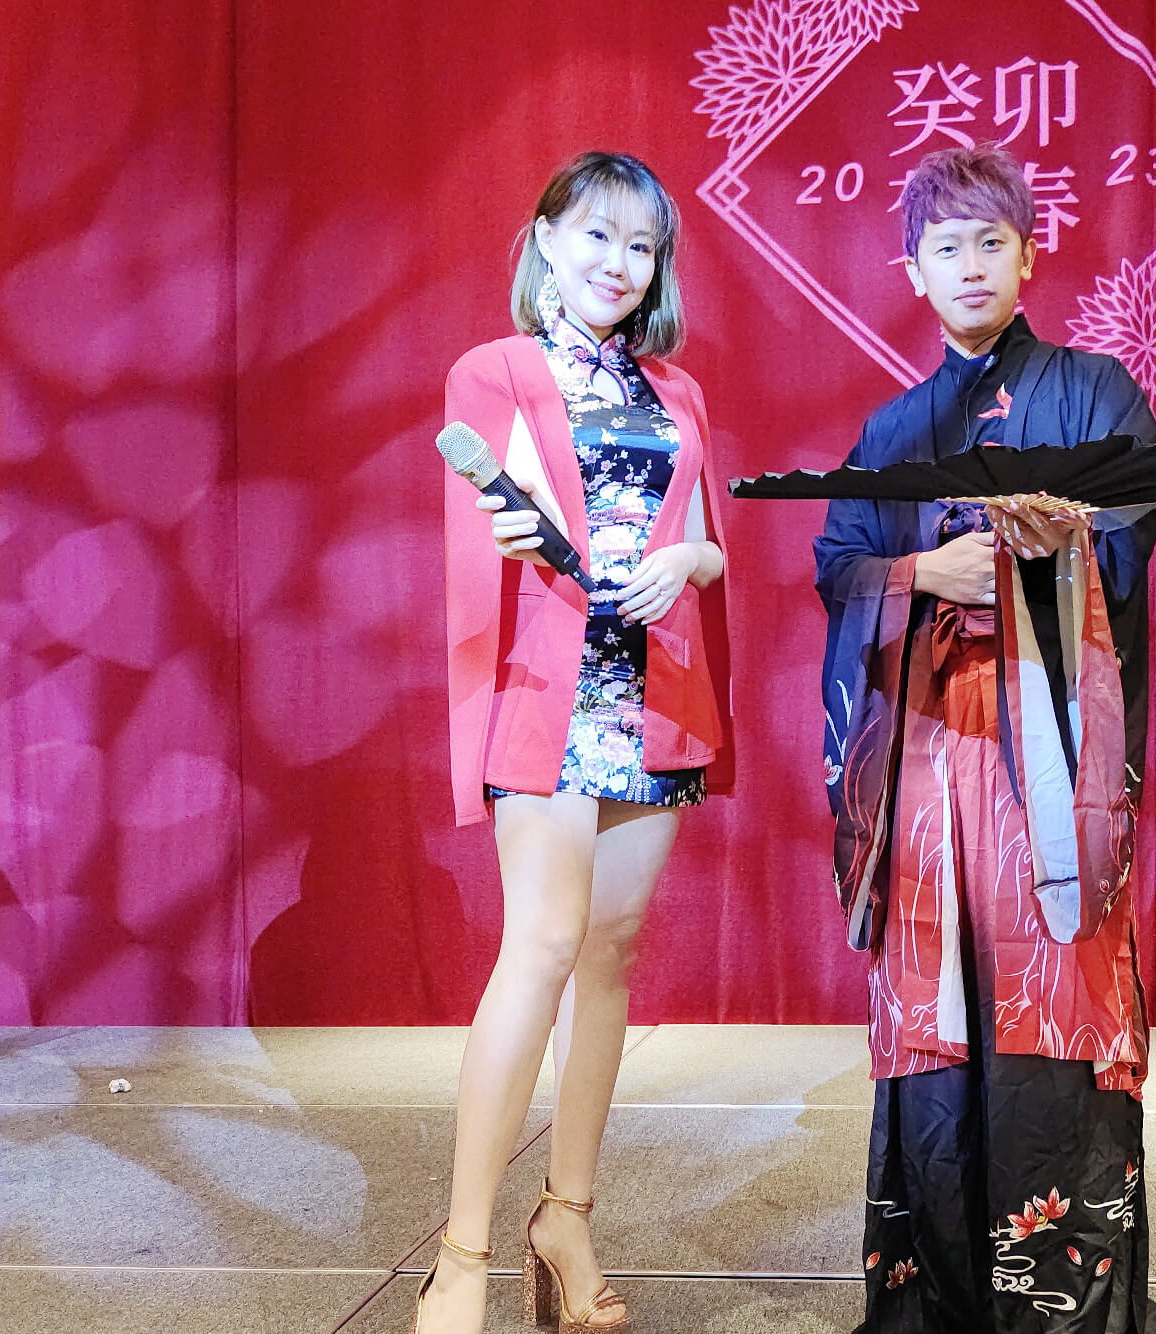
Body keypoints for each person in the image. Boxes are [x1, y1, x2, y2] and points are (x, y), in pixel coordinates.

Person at [813, 143, 1156, 1333]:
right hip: (926, 758)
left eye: (988, 241)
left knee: (1052, 993)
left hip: (1049, 756)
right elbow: (837, 565)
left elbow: (1128, 525)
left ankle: (1058, 1308)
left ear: (1027, 256)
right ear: (911, 270)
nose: (967, 264)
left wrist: (1038, 541)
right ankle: (934, 1300)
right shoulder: (891, 425)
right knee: (936, 1012)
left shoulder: (1096, 390)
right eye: (943, 246)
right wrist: (923, 569)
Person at [423, 151, 731, 1333]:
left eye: (640, 246)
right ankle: (460, 1255)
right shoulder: (493, 368)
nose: (618, 262)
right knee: (543, 941)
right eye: (597, 235)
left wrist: (687, 558)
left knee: (609, 953)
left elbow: (707, 539)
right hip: (547, 689)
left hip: (651, 693)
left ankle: (566, 1216)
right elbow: (481, 533)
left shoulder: (676, 389)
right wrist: (508, 528)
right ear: (546, 237)